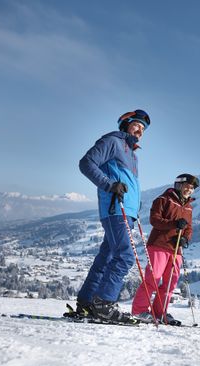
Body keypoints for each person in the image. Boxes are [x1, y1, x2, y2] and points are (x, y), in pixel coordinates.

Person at [73, 109, 150, 323]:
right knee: (125, 256)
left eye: (143, 129)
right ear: (125, 124)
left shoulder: (133, 155)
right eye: (137, 125)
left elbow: (125, 181)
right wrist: (109, 185)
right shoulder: (113, 142)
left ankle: (87, 302)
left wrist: (135, 204)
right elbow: (86, 163)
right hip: (115, 209)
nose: (140, 131)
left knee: (106, 257)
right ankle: (104, 304)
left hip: (127, 211)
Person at [131, 174, 198, 325]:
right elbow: (155, 220)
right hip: (159, 244)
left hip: (176, 249)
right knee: (152, 279)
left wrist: (185, 238)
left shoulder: (188, 207)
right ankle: (139, 311)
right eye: (187, 186)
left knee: (170, 283)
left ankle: (159, 312)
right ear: (179, 185)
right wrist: (174, 224)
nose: (190, 190)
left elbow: (189, 227)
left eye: (192, 188)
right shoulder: (163, 200)